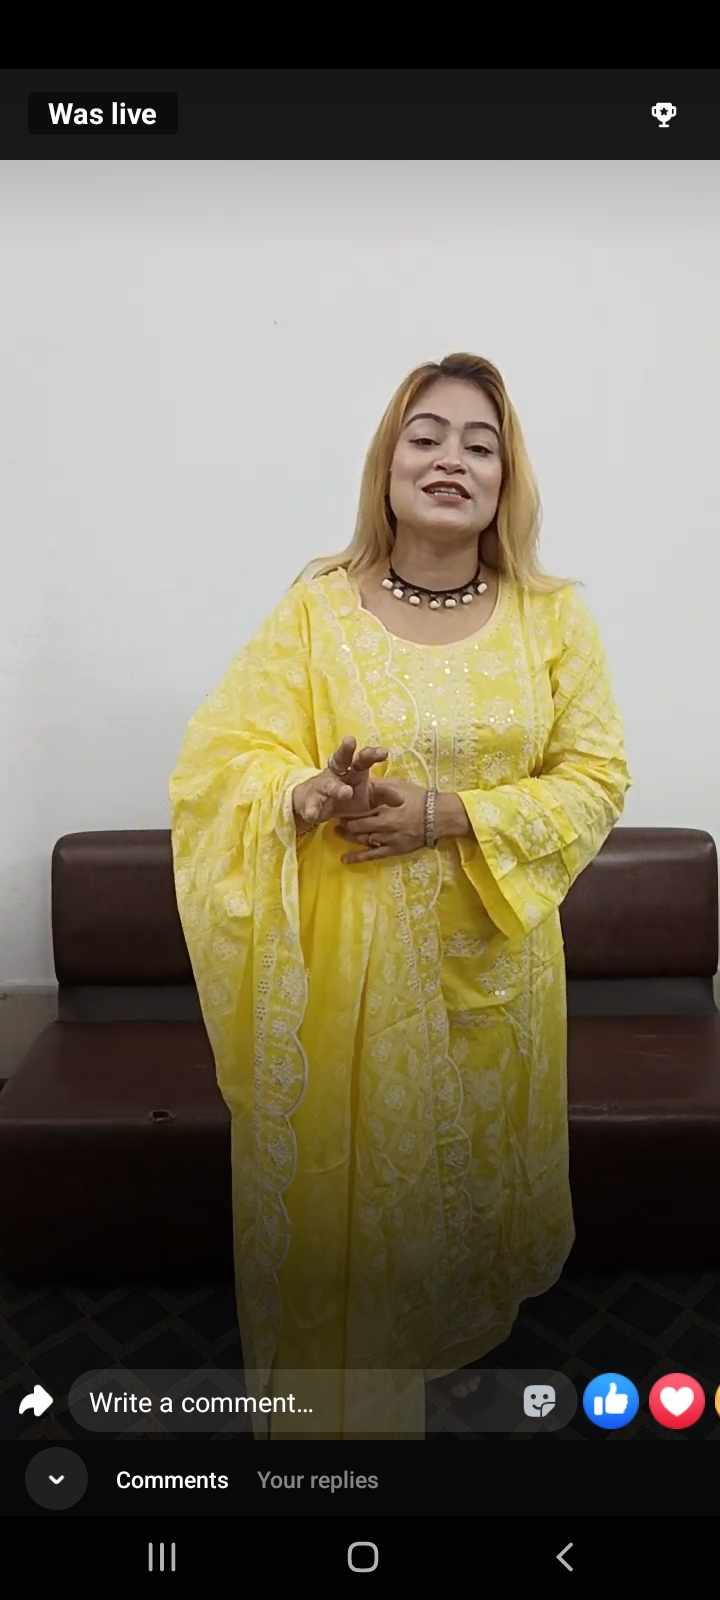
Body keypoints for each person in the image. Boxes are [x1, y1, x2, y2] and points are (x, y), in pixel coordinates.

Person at [168, 351, 632, 1439]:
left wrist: (449, 814)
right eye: (426, 436)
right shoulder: (316, 612)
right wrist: (303, 793)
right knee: (362, 1200)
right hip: (353, 985)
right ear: (388, 463)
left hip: (497, 977)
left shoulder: (552, 617)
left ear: (506, 479)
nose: (451, 459)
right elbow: (219, 764)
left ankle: (456, 1369)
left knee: (471, 1201)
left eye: (481, 444)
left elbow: (598, 776)